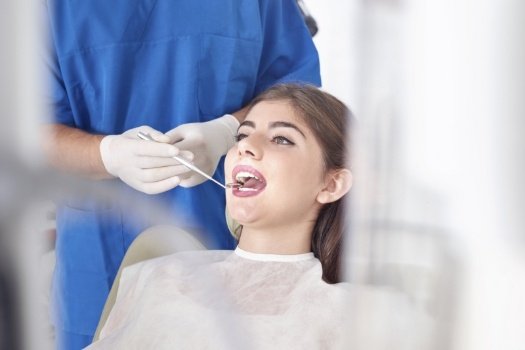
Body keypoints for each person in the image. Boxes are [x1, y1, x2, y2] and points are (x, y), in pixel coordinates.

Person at [42, 1, 321, 348]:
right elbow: (25, 131)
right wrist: (107, 154)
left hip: (231, 243)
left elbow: (301, 97)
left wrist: (228, 129)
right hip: (99, 256)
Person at [85, 84, 353, 349]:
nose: (245, 147)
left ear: (332, 185)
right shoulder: (158, 277)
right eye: (241, 136)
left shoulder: (351, 315)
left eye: (281, 139)